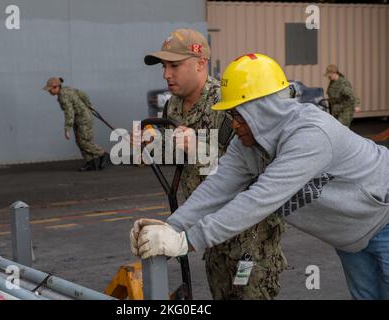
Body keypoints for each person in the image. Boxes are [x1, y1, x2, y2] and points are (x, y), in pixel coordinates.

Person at [131, 53, 389, 300]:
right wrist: (169, 227)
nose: (233, 124)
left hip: (383, 217)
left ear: (263, 110)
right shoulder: (247, 145)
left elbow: (259, 199)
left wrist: (186, 241)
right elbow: (217, 188)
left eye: (238, 114)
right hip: (350, 233)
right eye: (230, 115)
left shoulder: (311, 135)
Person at [139, 30, 287, 300]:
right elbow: (179, 157)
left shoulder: (229, 101)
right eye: (164, 67)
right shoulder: (172, 107)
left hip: (249, 234)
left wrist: (200, 147)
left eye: (174, 65)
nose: (166, 74)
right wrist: (151, 148)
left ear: (200, 63)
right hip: (206, 228)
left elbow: (256, 166)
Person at [43, 77, 109, 171]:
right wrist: (89, 105)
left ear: (56, 87)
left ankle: (103, 154)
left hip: (83, 119)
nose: (49, 92)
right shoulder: (67, 89)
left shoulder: (63, 96)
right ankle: (90, 162)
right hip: (80, 118)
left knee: (84, 141)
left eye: (50, 89)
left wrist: (67, 128)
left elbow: (69, 112)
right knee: (79, 141)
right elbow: (83, 94)